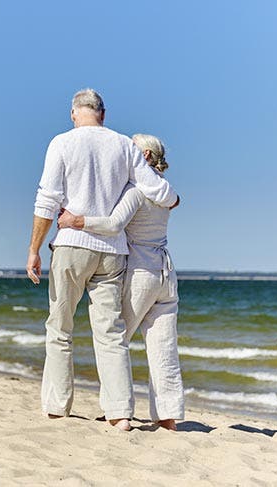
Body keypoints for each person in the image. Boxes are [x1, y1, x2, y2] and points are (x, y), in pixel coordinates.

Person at [27, 89, 178, 431]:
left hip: (72, 245)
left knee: (60, 327)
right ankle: (120, 414)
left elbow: (47, 199)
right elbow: (155, 188)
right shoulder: (124, 145)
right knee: (110, 334)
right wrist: (175, 198)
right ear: (103, 114)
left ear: (73, 113)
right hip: (113, 251)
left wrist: (34, 248)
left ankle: (56, 406)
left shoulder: (62, 143)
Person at [57, 133, 184, 431]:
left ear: (147, 157)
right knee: (163, 348)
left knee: (114, 340)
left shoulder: (137, 190)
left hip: (141, 273)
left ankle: (119, 412)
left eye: (133, 151)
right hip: (166, 272)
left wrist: (77, 221)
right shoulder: (164, 190)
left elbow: (114, 224)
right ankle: (167, 419)